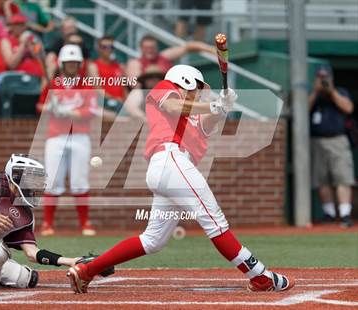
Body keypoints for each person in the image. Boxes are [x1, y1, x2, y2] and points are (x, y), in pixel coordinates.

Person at [66, 64, 295, 293]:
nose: (199, 93)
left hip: (170, 168)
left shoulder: (193, 111)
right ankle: (260, 277)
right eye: (196, 88)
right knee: (216, 223)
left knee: (152, 241)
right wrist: (212, 104)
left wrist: (222, 108)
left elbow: (206, 125)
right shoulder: (165, 88)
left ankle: (86, 271)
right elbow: (174, 106)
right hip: (170, 159)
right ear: (185, 80)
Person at [0, 154, 114, 290]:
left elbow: (32, 252)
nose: (37, 186)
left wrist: (72, 261)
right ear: (17, 177)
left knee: (26, 279)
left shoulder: (24, 214)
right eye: (32, 180)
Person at [38, 45, 98, 237]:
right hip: (56, 136)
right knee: (53, 180)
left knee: (79, 181)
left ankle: (85, 223)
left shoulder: (86, 85)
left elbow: (92, 111)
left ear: (80, 64)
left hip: (80, 135)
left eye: (75, 62)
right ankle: (47, 224)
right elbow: (39, 105)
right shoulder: (54, 84)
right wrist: (49, 107)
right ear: (62, 64)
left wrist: (70, 112)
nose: (71, 65)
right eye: (68, 62)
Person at [309, 66, 355, 228]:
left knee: (343, 177)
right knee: (322, 179)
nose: (323, 81)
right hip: (317, 141)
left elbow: (348, 108)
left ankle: (344, 214)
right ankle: (329, 213)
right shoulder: (312, 95)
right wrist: (315, 92)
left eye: (325, 78)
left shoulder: (340, 91)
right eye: (320, 78)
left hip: (338, 140)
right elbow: (302, 110)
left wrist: (331, 91)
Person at [125, 34, 215, 83]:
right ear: (141, 48)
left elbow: (189, 47)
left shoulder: (164, 56)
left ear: (156, 48)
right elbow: (136, 85)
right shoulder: (135, 63)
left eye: (152, 47)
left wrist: (212, 50)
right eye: (146, 48)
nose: (150, 50)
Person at [0, 14, 45, 79]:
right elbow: (11, 65)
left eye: (22, 24)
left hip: (37, 75)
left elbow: (40, 58)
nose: (21, 27)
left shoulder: (32, 38)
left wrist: (31, 45)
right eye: (17, 24)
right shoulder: (6, 41)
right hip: (20, 77)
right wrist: (23, 44)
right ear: (11, 26)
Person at [93, 35, 127, 113]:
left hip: (120, 103)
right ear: (98, 48)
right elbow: (98, 89)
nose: (108, 50)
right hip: (104, 103)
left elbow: (124, 89)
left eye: (111, 47)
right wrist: (115, 99)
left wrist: (127, 102)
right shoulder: (94, 66)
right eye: (104, 47)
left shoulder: (119, 66)